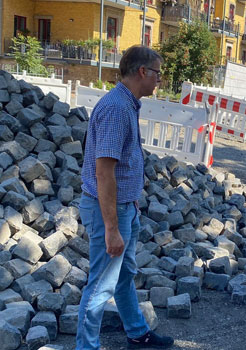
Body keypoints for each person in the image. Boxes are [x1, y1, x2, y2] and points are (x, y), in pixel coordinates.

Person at [77, 45, 173, 350]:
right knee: (101, 285)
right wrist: (112, 227)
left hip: (123, 207)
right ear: (142, 72)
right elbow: (104, 172)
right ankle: (86, 347)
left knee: (121, 277)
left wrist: (129, 210)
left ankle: (137, 333)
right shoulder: (117, 109)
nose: (160, 79)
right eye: (158, 73)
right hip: (110, 211)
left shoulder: (127, 104)